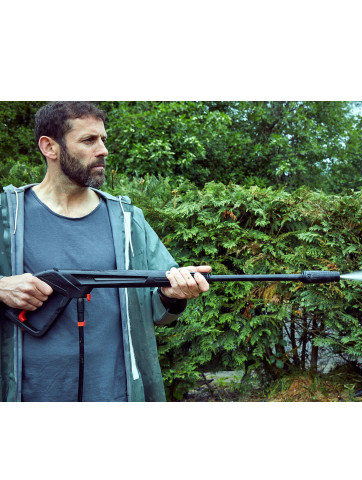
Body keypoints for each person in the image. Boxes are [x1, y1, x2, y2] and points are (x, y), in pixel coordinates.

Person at [0, 101, 211, 402]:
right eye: (89, 140)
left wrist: (172, 295)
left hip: (115, 395)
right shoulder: (8, 215)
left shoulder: (126, 219)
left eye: (103, 139)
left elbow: (158, 306)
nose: (103, 150)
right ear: (49, 147)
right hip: (25, 396)